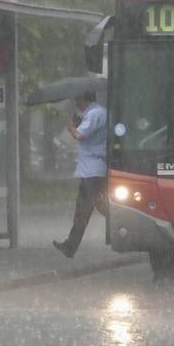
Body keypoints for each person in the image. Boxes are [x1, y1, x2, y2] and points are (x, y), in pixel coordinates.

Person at [54, 90, 107, 259]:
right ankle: (70, 245)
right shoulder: (96, 112)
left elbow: (79, 135)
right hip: (91, 170)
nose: (76, 104)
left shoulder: (95, 113)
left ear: (85, 99)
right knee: (84, 209)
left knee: (99, 207)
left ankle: (132, 226)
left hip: (94, 170)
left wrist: (71, 127)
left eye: (78, 100)